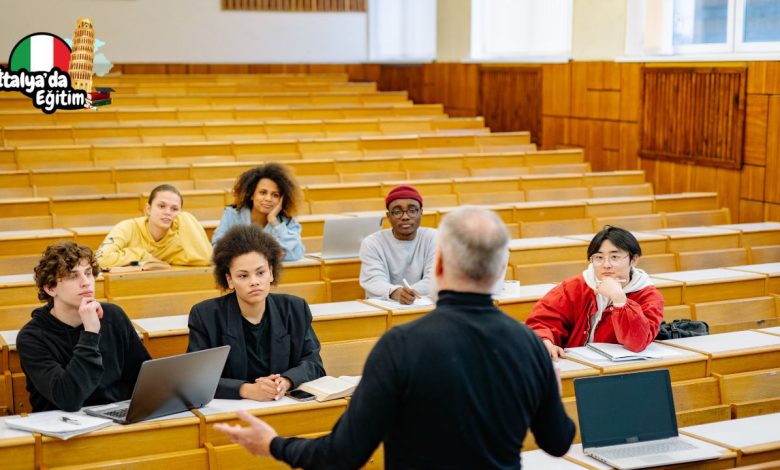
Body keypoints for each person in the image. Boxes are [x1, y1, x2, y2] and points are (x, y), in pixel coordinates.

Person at [215, 206, 576, 469]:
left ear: (437, 266)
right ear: (500, 269)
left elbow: (344, 454)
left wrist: (273, 445)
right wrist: (551, 390)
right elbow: (558, 442)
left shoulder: (401, 345)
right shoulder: (528, 343)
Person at [187, 224, 324, 401]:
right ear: (229, 280)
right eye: (243, 276)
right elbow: (196, 378)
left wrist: (286, 381)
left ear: (271, 273)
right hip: (231, 412)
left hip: (281, 404)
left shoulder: (295, 308)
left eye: (261, 273)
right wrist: (246, 390)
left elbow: (314, 364)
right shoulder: (205, 315)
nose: (255, 282)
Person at [17, 242, 151, 412]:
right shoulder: (32, 338)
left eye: (88, 273)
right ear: (50, 288)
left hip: (113, 422)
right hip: (61, 429)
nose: (86, 282)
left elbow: (143, 377)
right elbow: (69, 399)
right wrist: (90, 334)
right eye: (73, 276)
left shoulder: (113, 316)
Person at [526, 226, 665, 360]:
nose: (606, 265)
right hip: (575, 364)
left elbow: (637, 342)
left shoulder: (649, 297)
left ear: (633, 260)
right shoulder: (574, 287)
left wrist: (620, 300)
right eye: (598, 258)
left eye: (615, 257)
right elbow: (542, 321)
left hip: (619, 371)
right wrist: (544, 340)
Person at [96, 184, 212, 270]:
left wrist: (186, 217)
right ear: (148, 209)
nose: (168, 212)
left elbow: (205, 259)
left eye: (174, 209)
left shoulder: (178, 240)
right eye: (161, 206)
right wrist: (143, 255)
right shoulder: (127, 228)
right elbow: (101, 260)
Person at [359, 184, 437, 304]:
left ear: (421, 213)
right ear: (388, 216)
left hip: (423, 303)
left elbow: (434, 278)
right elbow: (373, 280)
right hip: (384, 305)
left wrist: (408, 294)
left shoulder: (434, 237)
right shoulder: (372, 243)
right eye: (397, 212)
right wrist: (395, 292)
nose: (405, 217)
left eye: (412, 211)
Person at [211, 163, 304, 262]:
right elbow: (217, 248)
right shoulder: (232, 214)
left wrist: (274, 221)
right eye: (263, 192)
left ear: (282, 200)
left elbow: (296, 254)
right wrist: (268, 253)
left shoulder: (287, 222)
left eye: (275, 195)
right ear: (252, 195)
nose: (268, 199)